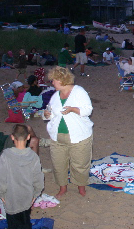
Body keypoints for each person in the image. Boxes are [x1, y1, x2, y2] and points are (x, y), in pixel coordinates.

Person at [43, 67, 93, 199]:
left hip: (79, 135)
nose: (52, 83)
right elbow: (50, 115)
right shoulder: (55, 96)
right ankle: (62, 188)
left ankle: (81, 187)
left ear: (61, 80)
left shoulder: (79, 92)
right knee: (59, 164)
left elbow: (88, 110)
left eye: (53, 80)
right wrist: (46, 115)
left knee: (80, 164)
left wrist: (73, 109)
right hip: (57, 137)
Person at [0, 124, 44, 229]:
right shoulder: (33, 156)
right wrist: (36, 194)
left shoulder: (6, 155)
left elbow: (0, 177)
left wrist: (1, 193)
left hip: (11, 198)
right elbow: (38, 177)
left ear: (12, 137)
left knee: (13, 224)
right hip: (27, 197)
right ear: (28, 137)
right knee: (25, 221)